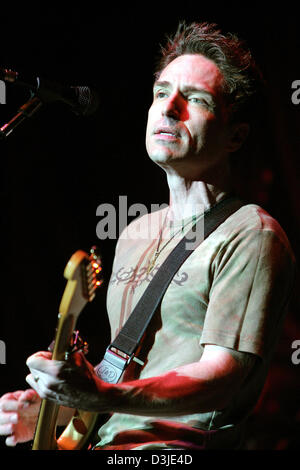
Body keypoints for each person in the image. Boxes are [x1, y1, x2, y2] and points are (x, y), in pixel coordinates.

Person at [0, 21, 296, 450]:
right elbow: (126, 376)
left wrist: (102, 395)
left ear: (236, 135)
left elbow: (223, 377)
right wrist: (57, 406)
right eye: (161, 93)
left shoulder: (252, 233)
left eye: (194, 99)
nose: (168, 108)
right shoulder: (136, 233)